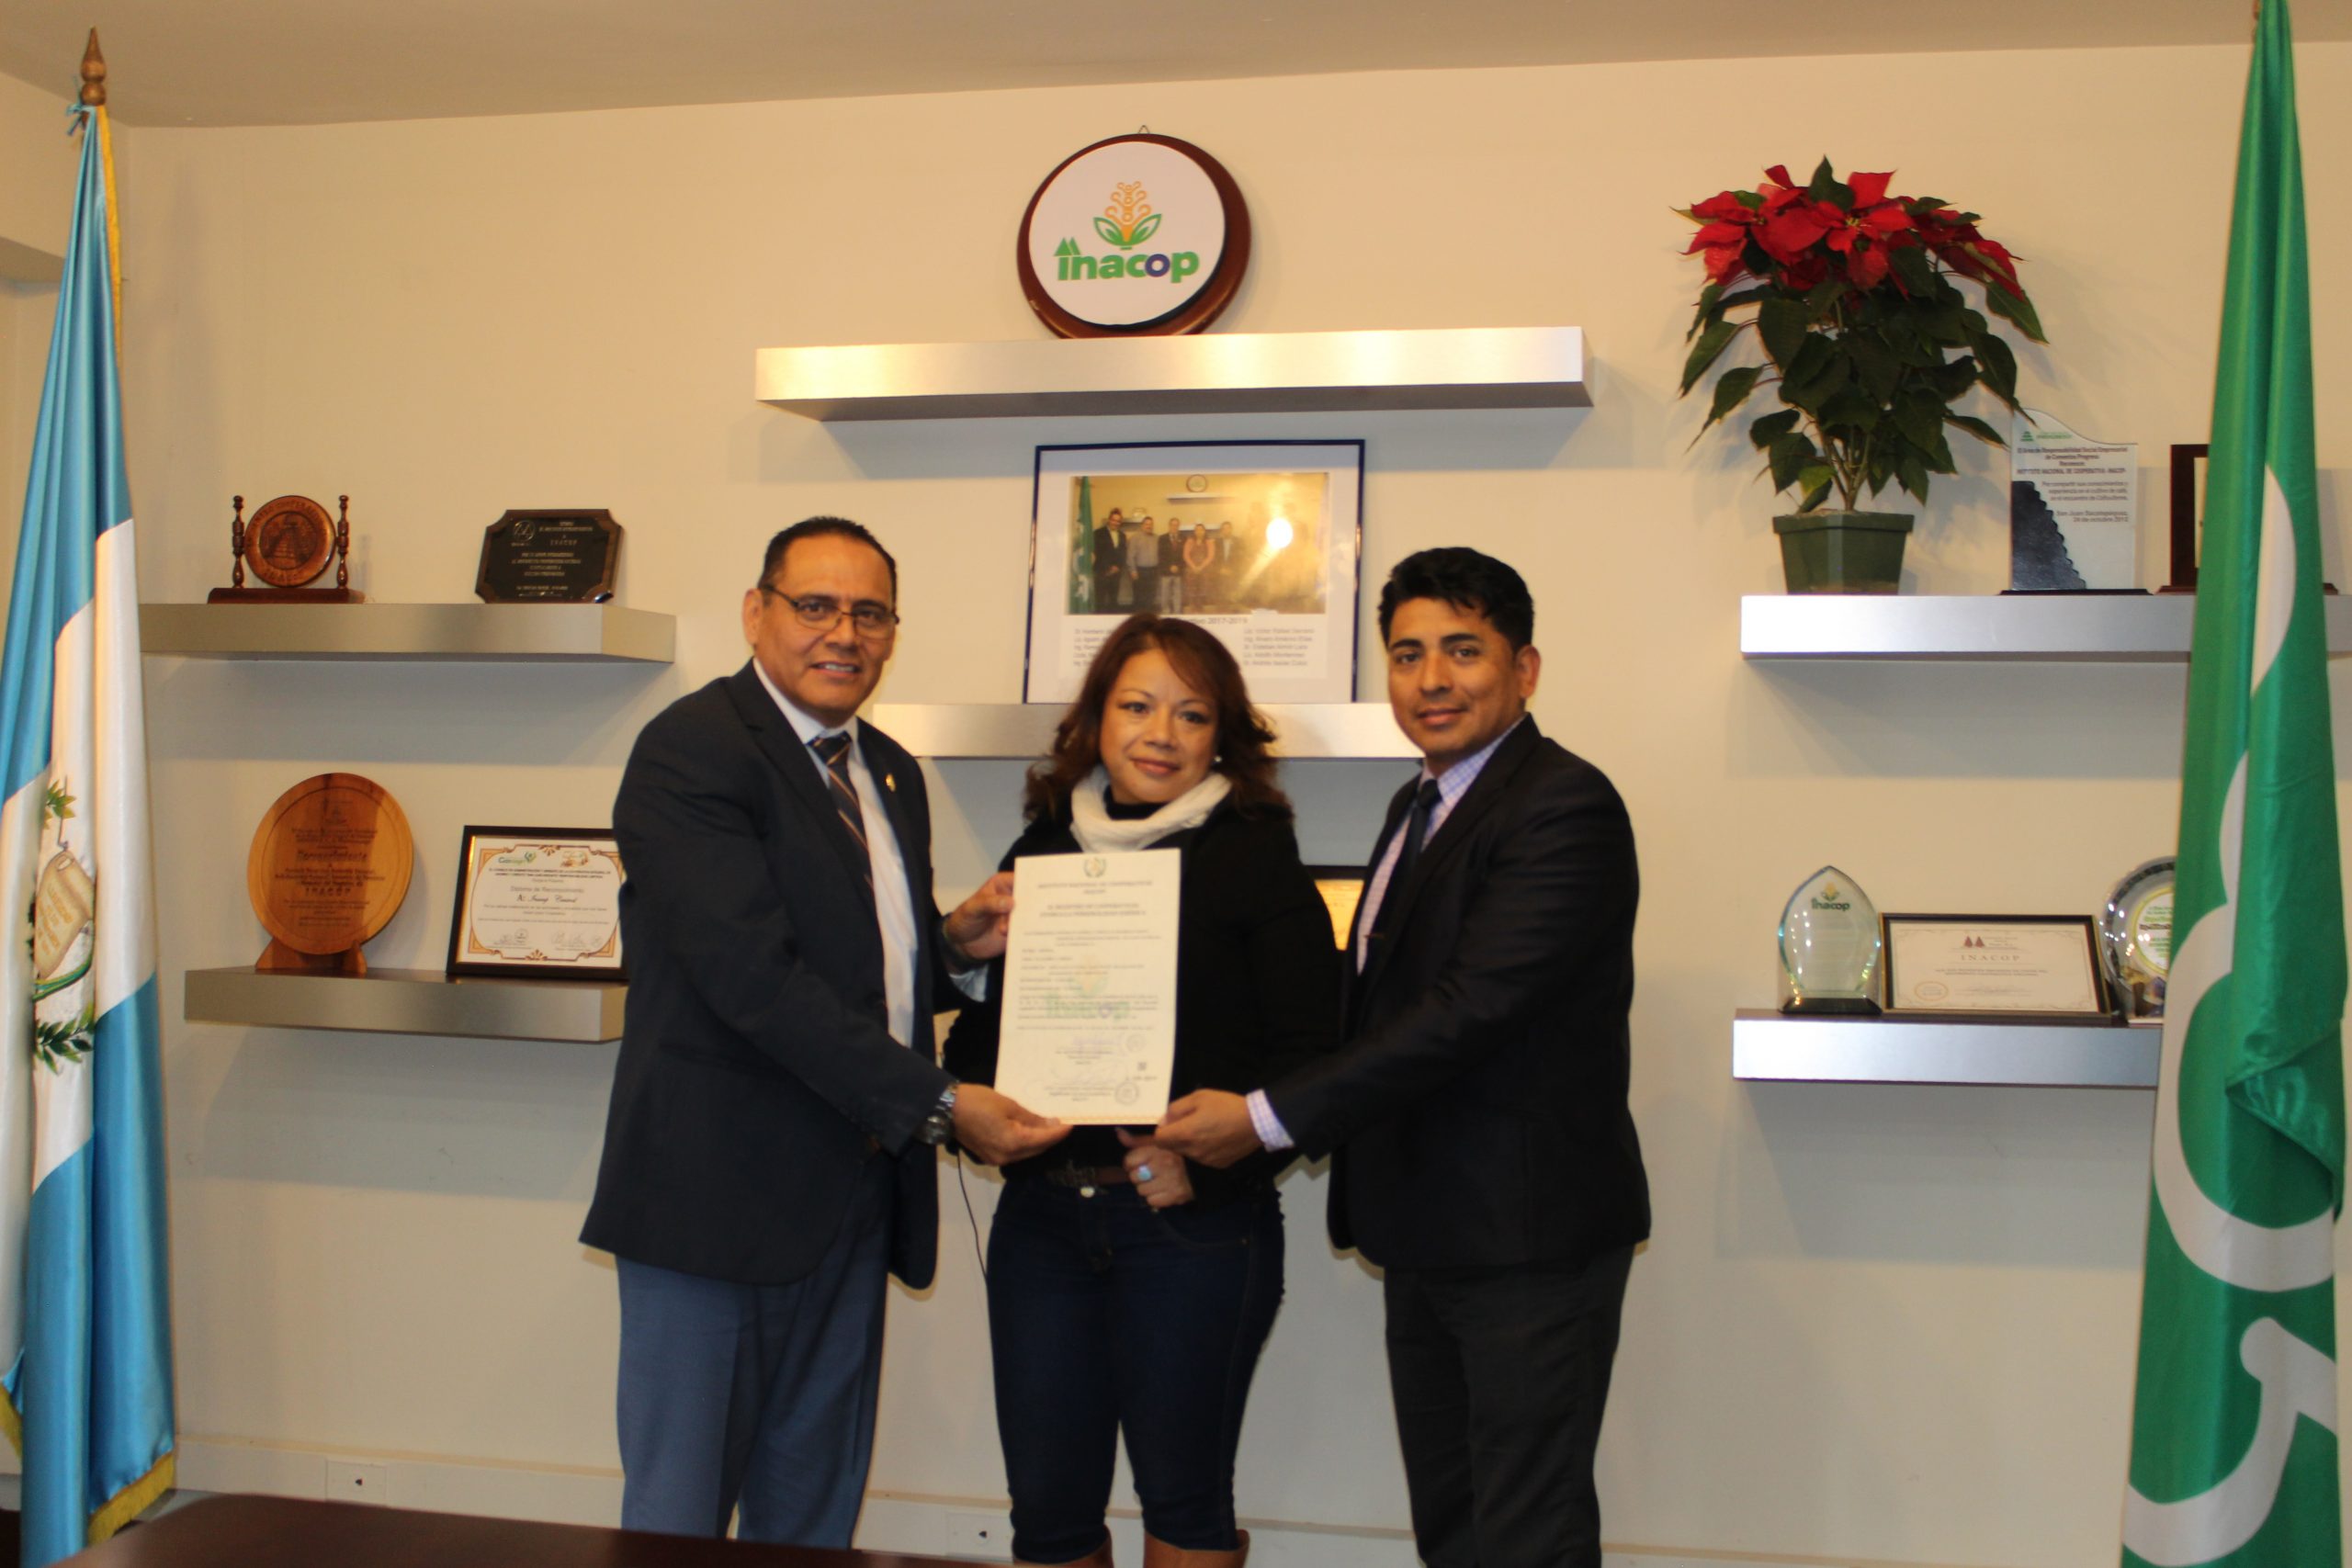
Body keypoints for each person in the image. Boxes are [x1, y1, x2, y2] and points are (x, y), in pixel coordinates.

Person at [1156, 547, 1649, 1568]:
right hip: (1429, 1230)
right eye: (1408, 654)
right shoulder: (1416, 804)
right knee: (1454, 1528)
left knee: (1527, 1534)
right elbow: (1371, 1010)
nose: (1432, 680)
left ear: (1525, 668)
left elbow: (1466, 1012)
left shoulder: (1564, 806)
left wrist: (1262, 1118)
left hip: (1525, 1241)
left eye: (1463, 651)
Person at [581, 516, 1069, 1546]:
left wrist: (956, 944)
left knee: (812, 1517)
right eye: (815, 606)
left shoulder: (886, 769)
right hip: (714, 1207)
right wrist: (943, 1103)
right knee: (677, 1521)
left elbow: (859, 968)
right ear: (755, 613)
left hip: (850, 1199)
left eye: (870, 613)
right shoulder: (692, 750)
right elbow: (752, 979)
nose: (844, 632)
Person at [944, 613, 1340, 1568]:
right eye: (1137, 707)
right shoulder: (1042, 848)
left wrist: (1213, 1166)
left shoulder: (1254, 852)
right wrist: (974, 1107)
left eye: (1192, 714)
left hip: (1192, 1231)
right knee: (1046, 1514)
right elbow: (983, 1044)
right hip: (1041, 1224)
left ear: (1222, 736)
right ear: (1097, 719)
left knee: (1185, 1502)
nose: (1161, 734)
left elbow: (1314, 1055)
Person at [1093, 508, 1132, 609]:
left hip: (1116, 573)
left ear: (1120, 522)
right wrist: (1108, 568)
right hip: (1102, 572)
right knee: (1100, 600)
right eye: (1114, 520)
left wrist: (1117, 567)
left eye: (1118, 521)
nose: (1115, 523)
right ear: (1109, 520)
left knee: (1113, 600)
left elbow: (1123, 553)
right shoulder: (1098, 533)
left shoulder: (1122, 535)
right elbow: (1098, 553)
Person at [1128, 516, 1160, 611]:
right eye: (1146, 524)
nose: (1149, 526)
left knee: (1151, 596)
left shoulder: (1157, 538)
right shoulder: (1135, 538)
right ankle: (1139, 617)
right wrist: (1133, 570)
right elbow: (1130, 555)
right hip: (1140, 571)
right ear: (1142, 525)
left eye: (1151, 524)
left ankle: (1148, 616)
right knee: (1139, 597)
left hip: (1153, 571)